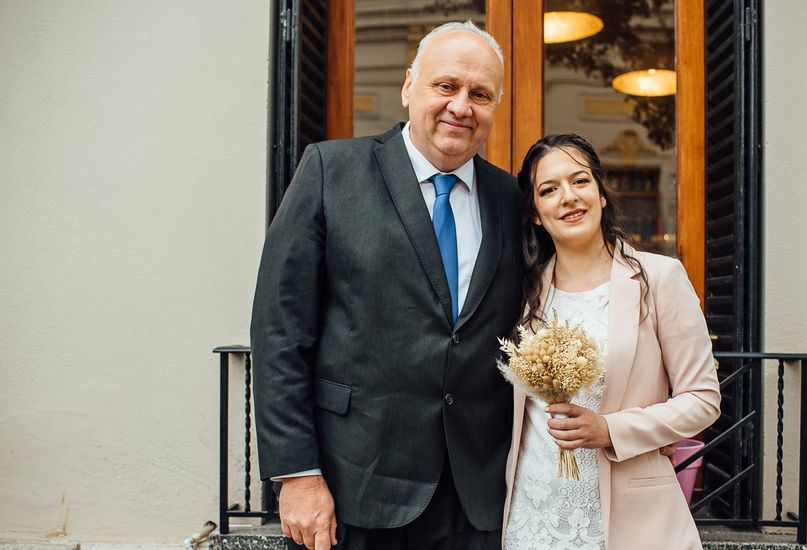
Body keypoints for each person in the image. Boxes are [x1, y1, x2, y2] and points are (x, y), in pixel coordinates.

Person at [250, 21, 522, 550]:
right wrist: (297, 474)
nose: (461, 106)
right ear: (408, 87)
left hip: (476, 500)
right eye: (446, 86)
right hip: (353, 487)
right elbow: (280, 332)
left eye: (480, 94)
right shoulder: (331, 170)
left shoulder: (511, 200)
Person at [502, 134, 721, 550]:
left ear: (601, 194)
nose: (568, 197)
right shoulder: (524, 292)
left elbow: (703, 400)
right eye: (549, 189)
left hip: (628, 519)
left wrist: (610, 429)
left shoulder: (658, 278)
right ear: (535, 213)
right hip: (531, 516)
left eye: (580, 181)